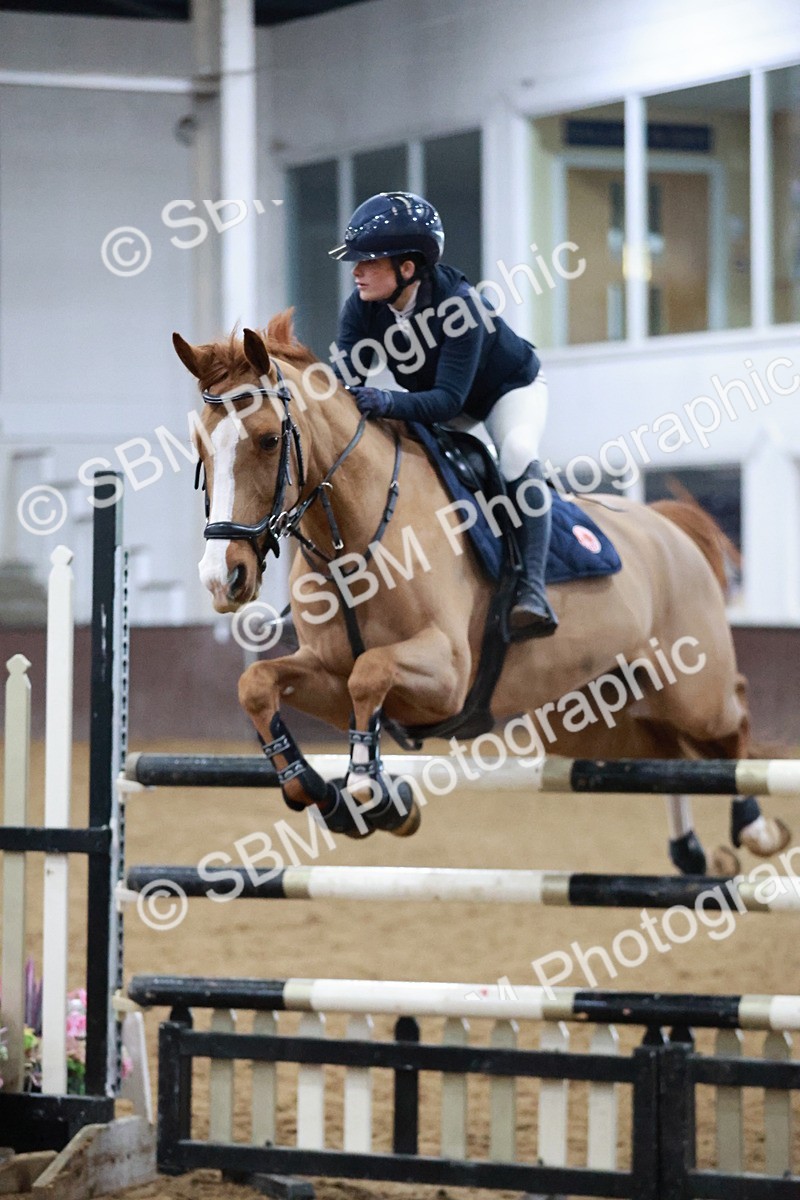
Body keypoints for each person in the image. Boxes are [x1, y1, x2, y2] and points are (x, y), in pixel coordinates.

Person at [329, 191, 557, 638]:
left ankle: (533, 587)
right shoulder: (361, 307)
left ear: (407, 268)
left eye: (369, 261)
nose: (356, 271)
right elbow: (344, 382)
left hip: (506, 391)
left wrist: (387, 401)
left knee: (515, 451)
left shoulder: (462, 307)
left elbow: (449, 401)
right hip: (436, 399)